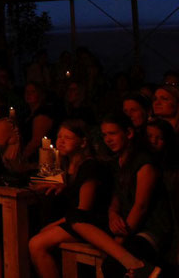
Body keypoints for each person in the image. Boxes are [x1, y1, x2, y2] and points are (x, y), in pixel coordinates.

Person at [62, 113, 167, 278]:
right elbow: (117, 195)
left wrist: (119, 239)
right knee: (75, 216)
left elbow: (141, 207)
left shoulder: (144, 163)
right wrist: (112, 213)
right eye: (104, 135)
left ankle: (138, 265)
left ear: (129, 133)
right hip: (124, 222)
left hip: (148, 229)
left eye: (113, 133)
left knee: (112, 265)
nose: (108, 139)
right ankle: (136, 264)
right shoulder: (117, 162)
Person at [28, 120, 113, 278]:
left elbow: (84, 211)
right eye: (59, 136)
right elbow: (36, 182)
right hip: (74, 220)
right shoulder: (66, 167)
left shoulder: (90, 167)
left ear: (83, 142)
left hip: (90, 223)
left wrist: (53, 225)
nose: (61, 141)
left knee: (36, 244)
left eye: (68, 137)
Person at [20, 81, 58, 165]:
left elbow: (36, 141)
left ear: (40, 94)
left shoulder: (43, 114)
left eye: (33, 92)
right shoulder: (26, 113)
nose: (28, 94)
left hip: (38, 158)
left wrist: (22, 158)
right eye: (27, 92)